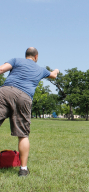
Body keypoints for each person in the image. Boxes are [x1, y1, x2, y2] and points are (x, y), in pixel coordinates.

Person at [0, 47, 59, 177]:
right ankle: (23, 169)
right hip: (24, 97)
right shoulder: (41, 69)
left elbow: (1, 69)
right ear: (36, 57)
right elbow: (53, 75)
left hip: (4, 92)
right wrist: (56, 70)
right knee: (23, 135)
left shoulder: (16, 60)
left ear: (26, 55)